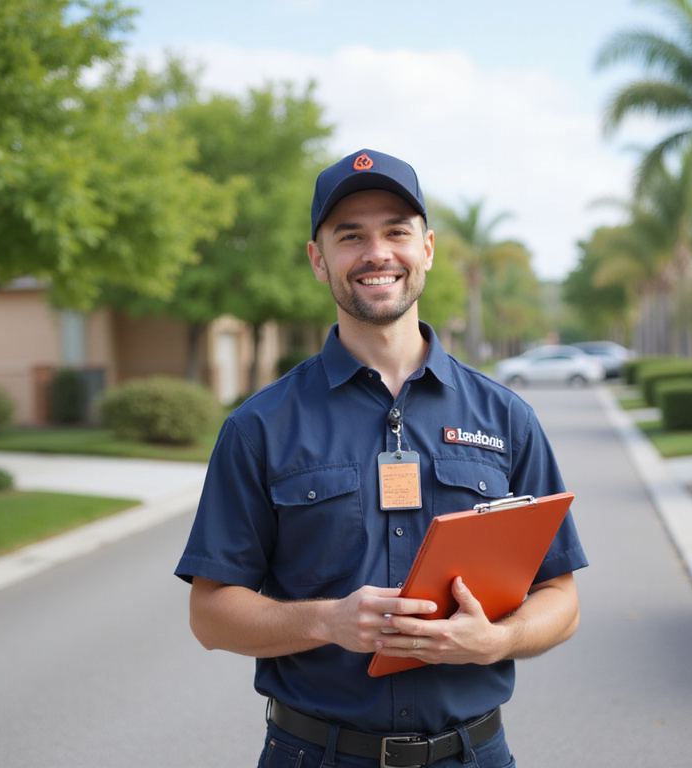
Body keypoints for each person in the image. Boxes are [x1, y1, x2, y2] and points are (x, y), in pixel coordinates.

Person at [175, 148, 587, 768]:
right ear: (319, 260)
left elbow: (560, 596)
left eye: (397, 231)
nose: (377, 253)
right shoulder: (259, 426)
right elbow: (210, 615)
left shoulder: (505, 417)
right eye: (351, 236)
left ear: (427, 249)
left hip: (473, 754)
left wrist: (496, 640)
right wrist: (328, 621)